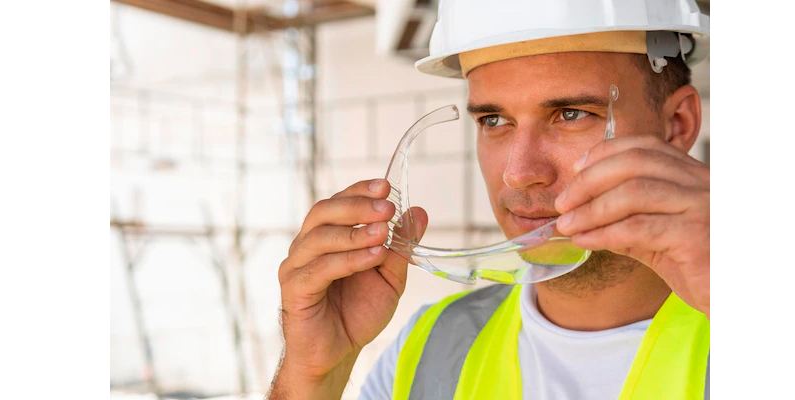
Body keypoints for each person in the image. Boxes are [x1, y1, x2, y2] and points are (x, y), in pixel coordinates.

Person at [270, 0, 710, 398]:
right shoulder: (431, 349)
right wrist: (311, 378)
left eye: (571, 114)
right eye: (494, 120)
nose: (519, 173)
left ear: (677, 124)